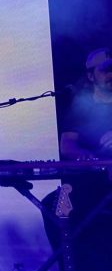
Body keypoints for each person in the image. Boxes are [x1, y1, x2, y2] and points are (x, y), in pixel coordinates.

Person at [43, 47, 112, 271]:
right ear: (91, 75)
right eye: (106, 69)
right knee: (53, 204)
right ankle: (73, 265)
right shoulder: (81, 107)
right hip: (92, 181)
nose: (111, 74)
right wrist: (87, 156)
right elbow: (67, 145)